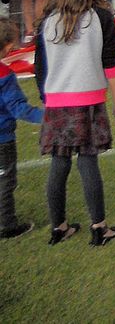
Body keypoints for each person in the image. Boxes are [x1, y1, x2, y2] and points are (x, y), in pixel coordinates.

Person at [34, 0, 115, 246]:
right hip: (89, 101)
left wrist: (47, 98)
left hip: (57, 102)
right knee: (88, 162)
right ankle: (99, 227)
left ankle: (58, 226)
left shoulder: (46, 22)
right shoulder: (101, 17)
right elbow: (111, 63)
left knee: (58, 163)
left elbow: (40, 68)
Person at [0, 17, 44, 239]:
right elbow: (19, 108)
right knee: (5, 181)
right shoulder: (4, 76)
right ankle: (6, 225)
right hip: (2, 140)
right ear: (8, 47)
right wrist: (48, 116)